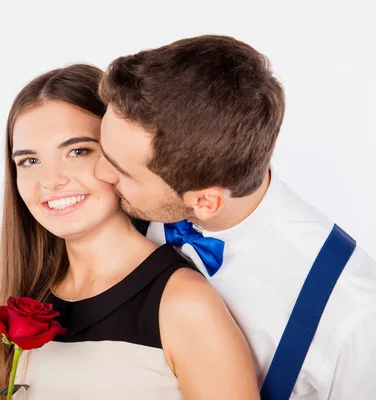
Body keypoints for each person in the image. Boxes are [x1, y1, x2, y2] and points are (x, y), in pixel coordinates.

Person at [95, 35, 376, 399]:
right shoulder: (111, 214)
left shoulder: (352, 312)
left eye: (122, 171)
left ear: (206, 201)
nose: (99, 173)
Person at [0, 64, 259, 399]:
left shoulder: (184, 304)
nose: (51, 180)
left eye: (78, 151)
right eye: (29, 161)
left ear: (119, 155)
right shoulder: (31, 299)